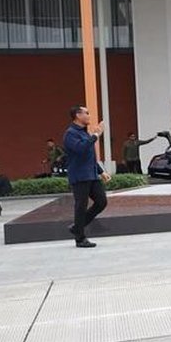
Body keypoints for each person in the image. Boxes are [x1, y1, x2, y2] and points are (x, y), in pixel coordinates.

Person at [63, 106, 111, 248]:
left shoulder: (84, 133)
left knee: (101, 202)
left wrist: (101, 171)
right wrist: (96, 135)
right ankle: (80, 238)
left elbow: (90, 156)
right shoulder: (70, 134)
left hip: (91, 175)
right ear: (78, 115)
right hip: (79, 176)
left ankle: (77, 226)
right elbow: (81, 149)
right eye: (87, 113)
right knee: (81, 206)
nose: (89, 116)